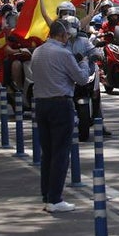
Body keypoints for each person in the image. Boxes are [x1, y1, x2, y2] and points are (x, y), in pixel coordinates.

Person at [31, 19, 90, 212]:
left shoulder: (37, 52)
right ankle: (55, 199)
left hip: (41, 104)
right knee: (61, 153)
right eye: (67, 36)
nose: (67, 39)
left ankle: (47, 195)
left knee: (48, 153)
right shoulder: (64, 53)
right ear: (62, 35)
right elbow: (82, 79)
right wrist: (85, 63)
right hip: (60, 104)